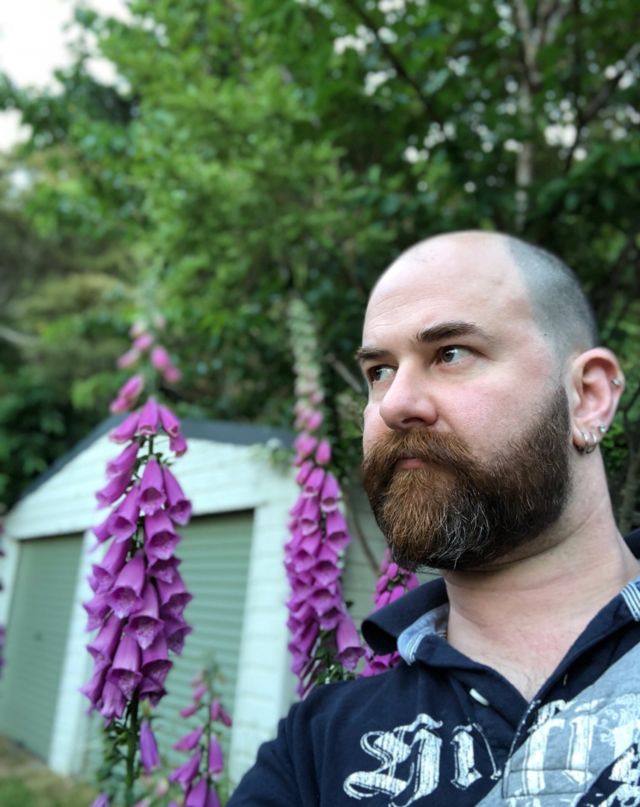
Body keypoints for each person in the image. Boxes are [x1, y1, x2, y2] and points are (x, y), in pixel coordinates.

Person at [228, 231, 640, 806]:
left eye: (450, 353)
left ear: (588, 397)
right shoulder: (313, 753)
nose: (394, 404)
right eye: (379, 371)